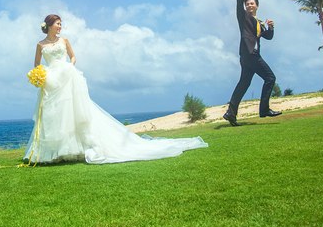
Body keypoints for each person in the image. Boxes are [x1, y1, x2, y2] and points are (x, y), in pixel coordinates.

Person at [24, 14, 208, 164]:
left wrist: (69, 67)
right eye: (58, 24)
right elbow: (36, 65)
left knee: (74, 111)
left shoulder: (64, 40)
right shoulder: (40, 45)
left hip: (68, 77)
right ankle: (54, 153)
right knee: (55, 114)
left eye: (60, 24)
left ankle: (77, 148)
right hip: (53, 81)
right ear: (49, 25)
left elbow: (73, 57)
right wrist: (40, 76)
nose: (60, 27)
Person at [223, 0, 281, 126]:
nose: (249, 5)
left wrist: (271, 27)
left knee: (244, 84)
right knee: (270, 77)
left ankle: (231, 113)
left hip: (247, 57)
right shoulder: (243, 17)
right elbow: (239, 5)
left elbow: (268, 36)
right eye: (247, 4)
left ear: (257, 6)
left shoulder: (259, 23)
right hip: (250, 54)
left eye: (252, 4)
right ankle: (264, 109)